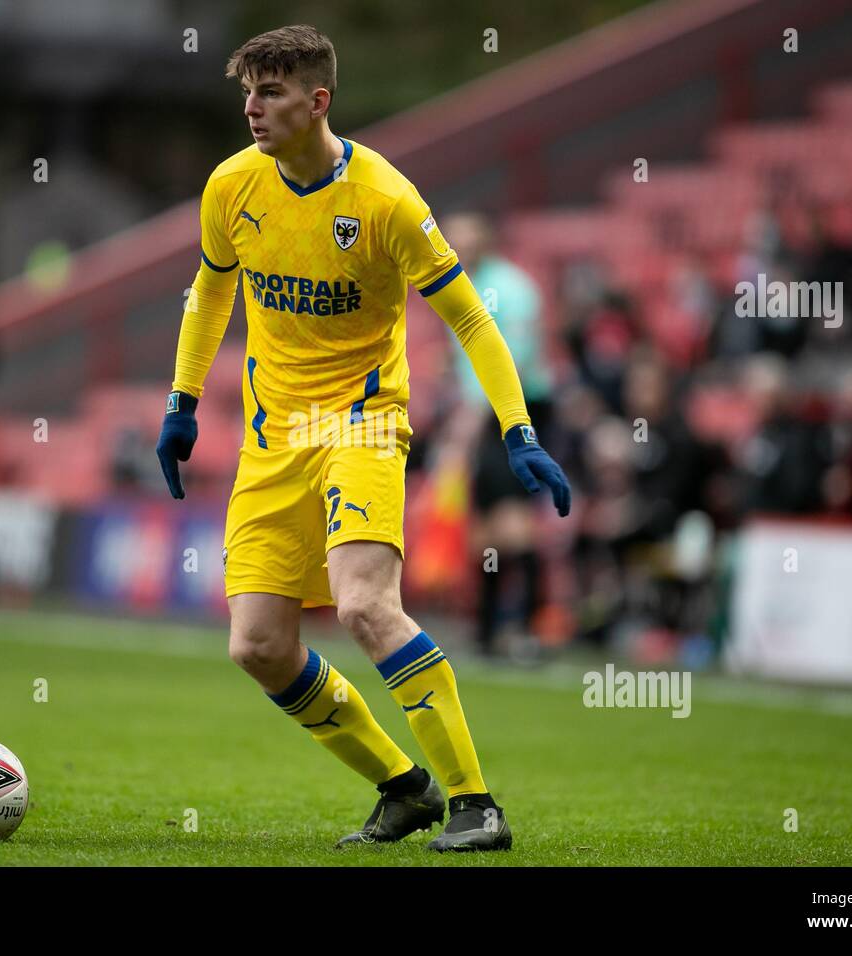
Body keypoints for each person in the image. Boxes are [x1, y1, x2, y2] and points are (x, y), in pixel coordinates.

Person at [155, 25, 570, 852]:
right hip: (274, 438)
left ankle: (476, 804)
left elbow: (470, 318)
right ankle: (402, 787)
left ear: (318, 102)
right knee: (259, 645)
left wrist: (517, 427)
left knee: (365, 605)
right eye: (247, 92)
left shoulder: (385, 200)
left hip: (363, 423)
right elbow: (209, 297)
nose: (251, 109)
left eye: (270, 94)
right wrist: (182, 401)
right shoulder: (231, 187)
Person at [439, 211, 555, 658]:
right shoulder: (460, 287)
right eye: (454, 239)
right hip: (482, 413)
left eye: (467, 238)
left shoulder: (512, 288)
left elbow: (520, 357)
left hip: (515, 412)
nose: (459, 247)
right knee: (484, 523)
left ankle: (529, 628)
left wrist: (480, 411)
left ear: (487, 240)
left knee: (514, 519)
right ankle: (488, 630)